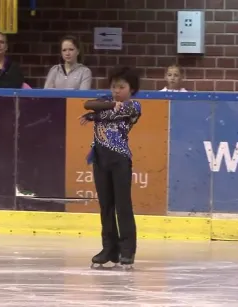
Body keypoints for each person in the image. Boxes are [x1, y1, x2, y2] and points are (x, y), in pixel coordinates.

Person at [79, 66, 141, 269]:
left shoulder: (134, 106)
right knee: (106, 206)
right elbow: (88, 103)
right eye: (114, 86)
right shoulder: (105, 101)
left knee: (123, 206)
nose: (116, 91)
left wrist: (94, 116)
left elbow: (109, 114)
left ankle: (127, 251)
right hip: (100, 159)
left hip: (120, 160)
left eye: (121, 87)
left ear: (131, 89)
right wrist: (101, 108)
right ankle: (109, 249)